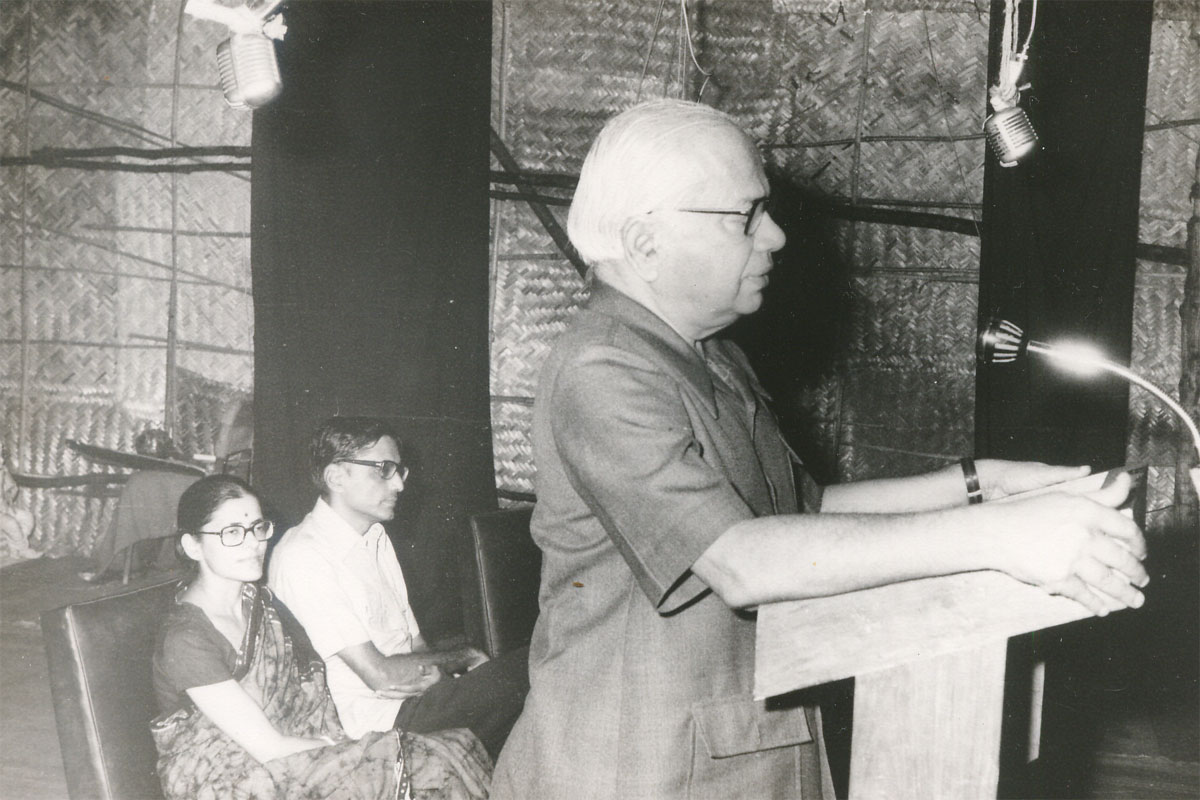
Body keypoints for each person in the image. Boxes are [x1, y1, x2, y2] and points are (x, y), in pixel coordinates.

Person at [490, 99, 1149, 800]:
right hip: (637, 773)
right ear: (645, 243)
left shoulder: (711, 357)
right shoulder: (601, 368)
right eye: (745, 215)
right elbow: (742, 561)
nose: (774, 235)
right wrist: (999, 536)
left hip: (730, 755)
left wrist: (981, 485)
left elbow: (803, 513)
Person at [150, 473, 492, 800]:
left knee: (455, 746)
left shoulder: (263, 605)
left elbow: (309, 704)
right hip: (228, 778)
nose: (254, 543)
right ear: (193, 546)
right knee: (426, 762)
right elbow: (269, 747)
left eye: (258, 527)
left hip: (290, 754)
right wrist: (354, 748)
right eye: (233, 532)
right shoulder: (185, 639)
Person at [268, 416, 528, 760]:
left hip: (415, 702)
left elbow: (416, 644)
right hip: (374, 727)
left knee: (534, 684)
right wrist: (464, 657)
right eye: (384, 470)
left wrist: (442, 677)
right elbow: (380, 675)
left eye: (399, 471)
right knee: (535, 667)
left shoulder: (375, 536)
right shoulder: (304, 556)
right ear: (336, 477)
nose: (399, 485)